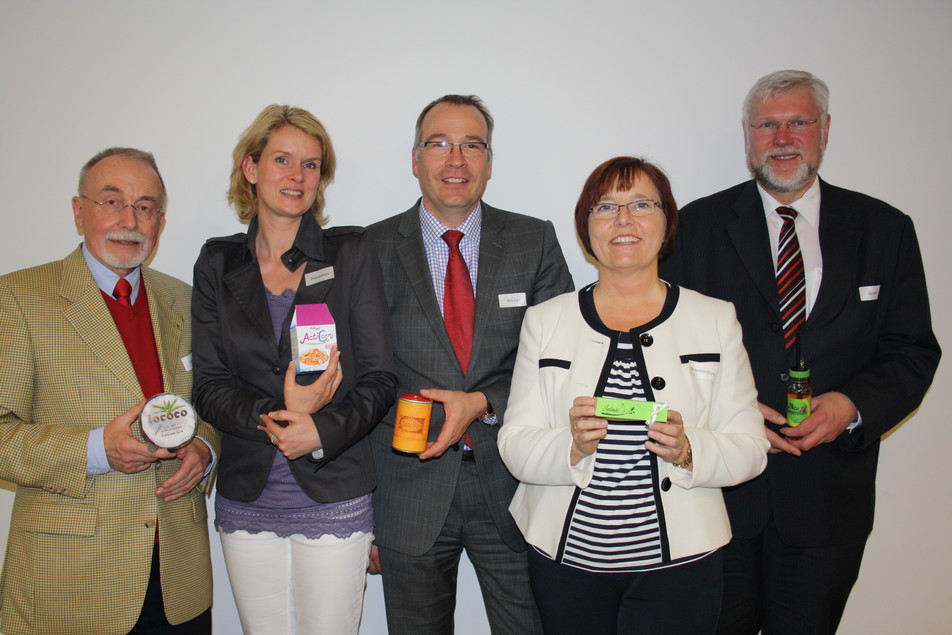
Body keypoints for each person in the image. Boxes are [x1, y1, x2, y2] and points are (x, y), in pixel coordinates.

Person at [660, 70, 942, 634]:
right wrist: (728, 418)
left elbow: (911, 351)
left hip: (828, 502)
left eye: (798, 122)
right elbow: (664, 350)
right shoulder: (694, 227)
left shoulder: (885, 229)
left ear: (826, 130)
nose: (783, 137)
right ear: (747, 134)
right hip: (718, 500)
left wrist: (851, 406)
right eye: (767, 125)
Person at [497, 156, 769, 634]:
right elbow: (515, 442)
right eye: (606, 207)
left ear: (667, 223)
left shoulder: (714, 318)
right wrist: (571, 446)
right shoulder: (546, 320)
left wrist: (690, 450)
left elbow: (750, 448)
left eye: (642, 204)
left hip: (681, 565)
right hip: (566, 563)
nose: (624, 220)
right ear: (586, 229)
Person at [366, 94, 574, 634]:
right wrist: (360, 512)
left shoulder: (535, 241)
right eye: (439, 144)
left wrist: (483, 402)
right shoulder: (369, 248)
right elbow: (361, 378)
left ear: (489, 160)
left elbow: (563, 360)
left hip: (512, 487)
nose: (455, 160)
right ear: (415, 160)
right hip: (406, 493)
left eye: (472, 145)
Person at [191, 104, 397, 634]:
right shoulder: (217, 263)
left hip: (334, 494)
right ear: (251, 168)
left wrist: (318, 429)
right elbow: (210, 389)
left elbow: (379, 379)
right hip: (248, 499)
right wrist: (280, 418)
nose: (297, 176)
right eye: (283, 159)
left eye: (311, 165)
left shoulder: (350, 252)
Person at [0, 148, 219, 634]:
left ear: (160, 220)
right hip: (70, 581)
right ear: (79, 212)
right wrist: (96, 449)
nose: (129, 219)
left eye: (144, 206)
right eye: (111, 201)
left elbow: (210, 406)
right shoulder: (17, 298)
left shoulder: (183, 298)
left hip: (178, 582)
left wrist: (204, 448)